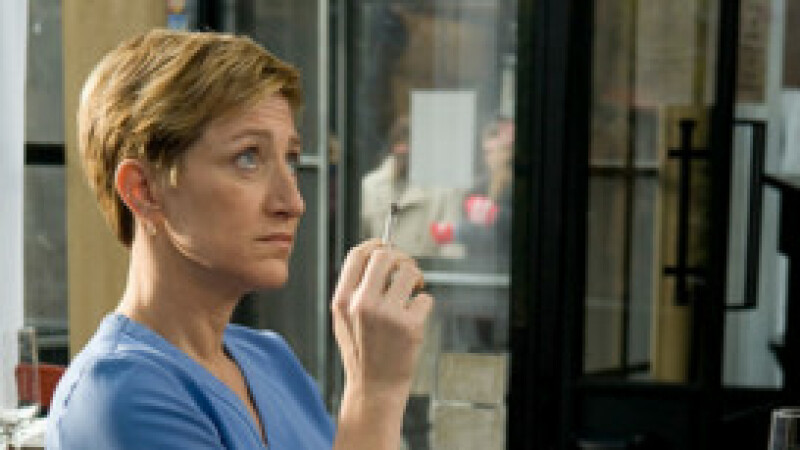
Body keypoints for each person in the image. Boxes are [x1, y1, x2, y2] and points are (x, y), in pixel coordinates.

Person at [46, 30, 433, 450]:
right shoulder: (119, 396)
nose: (293, 203)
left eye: (291, 160)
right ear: (144, 191)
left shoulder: (271, 360)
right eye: (248, 157)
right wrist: (375, 392)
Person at [361, 116, 462, 258]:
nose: (404, 152)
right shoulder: (371, 186)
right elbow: (361, 241)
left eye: (409, 145)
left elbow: (451, 246)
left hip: (425, 268)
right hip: (381, 268)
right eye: (399, 144)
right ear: (392, 148)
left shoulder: (445, 189)